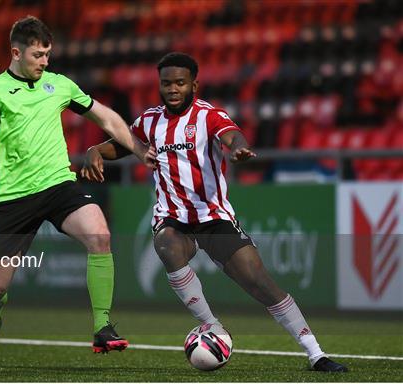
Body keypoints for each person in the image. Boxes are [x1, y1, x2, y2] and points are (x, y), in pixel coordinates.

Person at [81, 52, 348, 373]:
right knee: (165, 245)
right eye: (166, 83)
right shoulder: (149, 120)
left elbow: (232, 135)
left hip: (214, 218)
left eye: (180, 83)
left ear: (194, 84)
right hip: (173, 218)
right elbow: (123, 143)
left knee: (260, 283)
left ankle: (315, 353)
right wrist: (96, 150)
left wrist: (237, 148)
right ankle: (212, 326)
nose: (173, 89)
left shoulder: (209, 116)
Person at [0, 16, 155, 371]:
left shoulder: (60, 85)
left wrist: (141, 150)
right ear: (16, 52)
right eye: (38, 55)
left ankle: (102, 326)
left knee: (99, 233)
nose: (45, 61)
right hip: (15, 198)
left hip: (58, 185)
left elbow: (108, 119)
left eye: (48, 54)